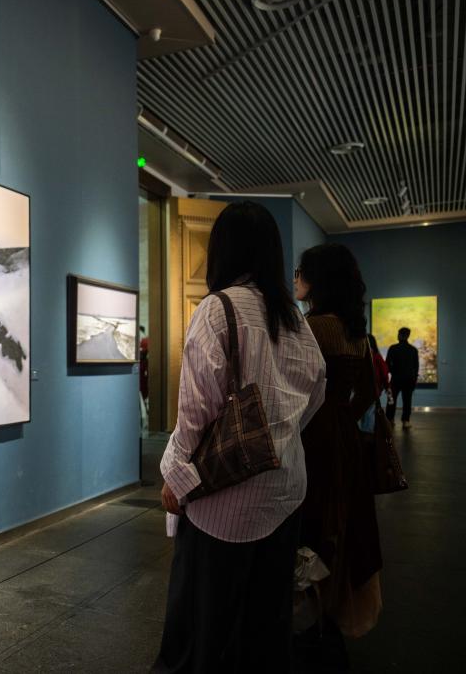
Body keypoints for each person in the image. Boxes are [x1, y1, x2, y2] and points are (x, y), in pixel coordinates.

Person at [153, 202, 326, 673]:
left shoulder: (217, 309)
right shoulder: (294, 318)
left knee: (203, 627)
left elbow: (195, 413)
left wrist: (176, 478)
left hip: (223, 498)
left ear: (221, 249)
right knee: (266, 625)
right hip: (286, 490)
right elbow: (316, 392)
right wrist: (277, 436)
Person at [294, 243, 383, 667]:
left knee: (309, 524)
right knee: (340, 524)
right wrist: (342, 416)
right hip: (344, 440)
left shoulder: (310, 328)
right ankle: (330, 612)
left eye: (301, 272)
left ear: (318, 280)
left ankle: (308, 616)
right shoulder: (354, 331)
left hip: (312, 439)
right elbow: (368, 391)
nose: (295, 279)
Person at [385, 327, 419, 429]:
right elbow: (416, 367)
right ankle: (405, 421)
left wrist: (393, 371)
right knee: (407, 401)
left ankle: (390, 420)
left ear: (399, 335)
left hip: (395, 379)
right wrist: (414, 379)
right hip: (409, 380)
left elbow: (387, 364)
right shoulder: (413, 350)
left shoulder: (393, 348)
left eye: (398, 334)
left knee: (391, 400)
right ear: (408, 336)